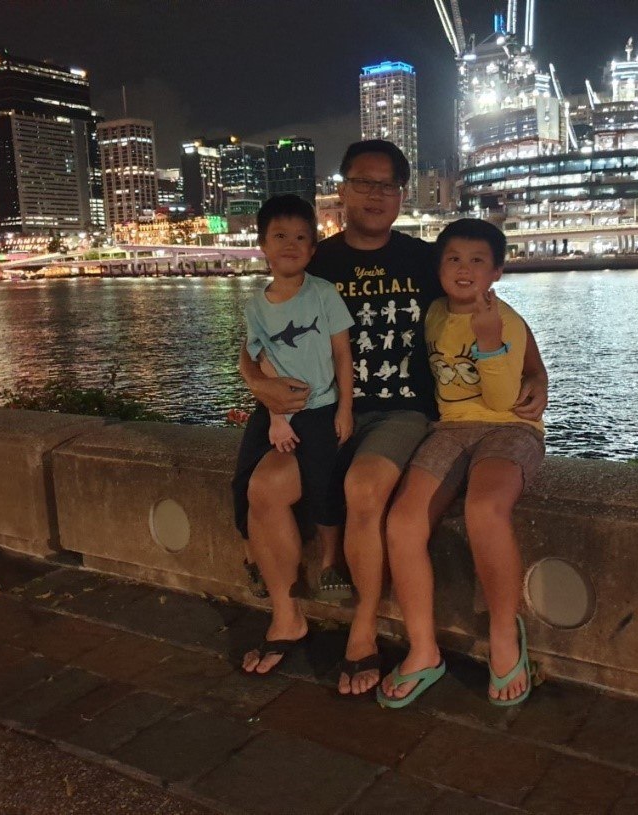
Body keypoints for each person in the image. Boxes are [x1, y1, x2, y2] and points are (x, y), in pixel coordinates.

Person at [239, 140, 548, 692]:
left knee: (364, 487)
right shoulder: (316, 260)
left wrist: (538, 378)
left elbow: (490, 312)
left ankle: (364, 630)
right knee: (264, 488)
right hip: (324, 411)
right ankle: (286, 616)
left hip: (402, 412)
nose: (375, 194)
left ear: (402, 194)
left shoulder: (427, 261)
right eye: (363, 182)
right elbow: (258, 336)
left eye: (387, 185)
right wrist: (258, 383)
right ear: (343, 189)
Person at [378, 219, 544, 708]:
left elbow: (501, 399)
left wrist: (489, 341)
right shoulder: (434, 311)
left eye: (477, 260)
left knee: (485, 508)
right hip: (450, 429)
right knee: (403, 522)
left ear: (497, 272)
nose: (464, 269)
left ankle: (503, 633)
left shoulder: (504, 319)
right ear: (439, 267)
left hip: (510, 427)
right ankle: (423, 649)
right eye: (453, 258)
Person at [231, 195, 354, 674]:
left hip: (319, 408)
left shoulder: (322, 294)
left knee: (323, 481)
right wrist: (274, 414)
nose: (290, 244)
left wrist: (345, 409)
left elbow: (342, 354)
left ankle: (328, 561)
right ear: (262, 245)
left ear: (313, 247)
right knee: (245, 481)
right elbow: (259, 358)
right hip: (275, 410)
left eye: (301, 237)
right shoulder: (256, 306)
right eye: (279, 236)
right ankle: (255, 557)